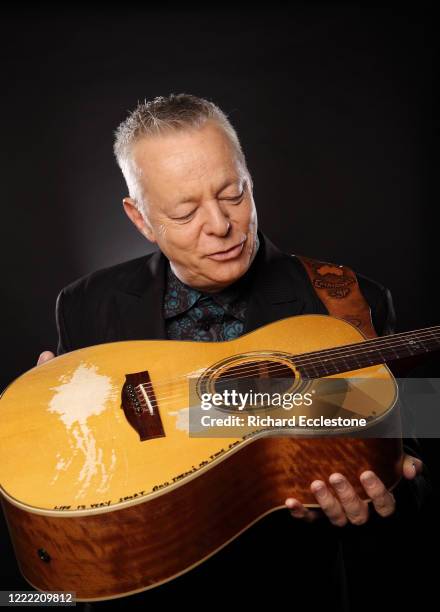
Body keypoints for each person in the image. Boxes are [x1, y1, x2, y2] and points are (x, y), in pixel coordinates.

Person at [36, 94, 431, 609]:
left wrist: (386, 493)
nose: (221, 226)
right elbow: (79, 467)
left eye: (233, 194)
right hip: (140, 589)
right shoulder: (87, 305)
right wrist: (56, 428)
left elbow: (411, 458)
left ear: (249, 179)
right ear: (140, 218)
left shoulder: (348, 302)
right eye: (184, 212)